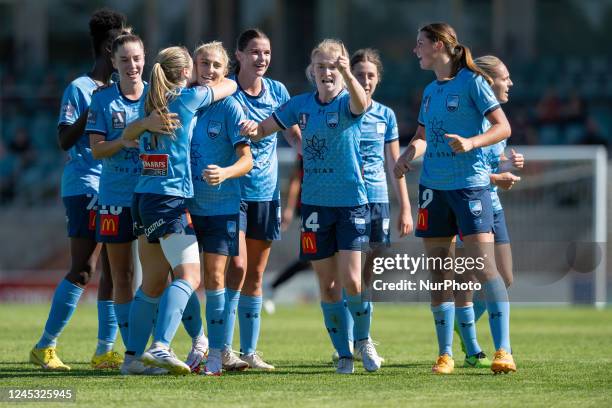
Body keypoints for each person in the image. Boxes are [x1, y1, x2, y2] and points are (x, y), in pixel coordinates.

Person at [240, 39, 382, 374]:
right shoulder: (300, 105)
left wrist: (348, 71)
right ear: (312, 71)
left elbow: (363, 104)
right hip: (315, 208)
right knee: (328, 285)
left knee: (352, 280)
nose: (327, 72)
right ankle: (343, 353)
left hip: (351, 204)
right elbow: (265, 129)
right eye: (321, 67)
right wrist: (249, 129)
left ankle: (363, 341)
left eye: (333, 66)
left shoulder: (350, 102)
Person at [393, 22, 516, 375]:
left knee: (484, 266)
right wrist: (407, 155)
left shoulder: (474, 83)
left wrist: (472, 142)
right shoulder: (430, 90)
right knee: (440, 275)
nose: (415, 50)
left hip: (470, 186)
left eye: (420, 44)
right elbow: (421, 135)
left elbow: (502, 127)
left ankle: (503, 351)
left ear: (440, 46)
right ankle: (445, 353)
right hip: (433, 189)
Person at [120, 46, 237, 375]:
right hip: (167, 200)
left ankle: (131, 359)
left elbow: (127, 134)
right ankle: (161, 346)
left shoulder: (148, 102)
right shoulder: (186, 99)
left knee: (154, 283)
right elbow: (230, 87)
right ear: (185, 73)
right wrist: (221, 72)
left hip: (142, 199)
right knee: (189, 276)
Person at [30, 8, 127, 371]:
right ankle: (45, 345)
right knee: (84, 268)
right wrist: (94, 109)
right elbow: (64, 139)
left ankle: (104, 350)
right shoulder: (80, 89)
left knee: (114, 270)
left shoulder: (124, 91)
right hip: (85, 184)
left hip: (116, 187)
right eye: (121, 45)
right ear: (107, 48)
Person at [224, 29, 300, 371]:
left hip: (266, 193)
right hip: (229, 193)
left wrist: (317, 152)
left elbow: (296, 137)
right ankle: (223, 348)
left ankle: (250, 351)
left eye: (266, 52)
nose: (262, 59)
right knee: (236, 268)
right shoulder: (224, 90)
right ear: (238, 55)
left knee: (255, 275)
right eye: (255, 52)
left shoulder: (279, 91)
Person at [187, 41, 253, 375]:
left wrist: (224, 172)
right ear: (193, 67)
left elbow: (247, 159)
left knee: (214, 277)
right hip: (181, 207)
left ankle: (215, 354)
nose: (209, 70)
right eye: (203, 64)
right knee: (180, 280)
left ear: (224, 70)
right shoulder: (184, 103)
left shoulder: (230, 108)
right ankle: (197, 340)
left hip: (220, 208)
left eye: (215, 65)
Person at [452, 55, 523, 366]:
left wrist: (507, 165)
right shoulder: (468, 117)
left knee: (504, 276)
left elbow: (488, 163)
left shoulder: (497, 118)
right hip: (468, 202)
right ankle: (471, 348)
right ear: (487, 80)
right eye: (504, 77)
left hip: (493, 205)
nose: (510, 83)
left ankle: (461, 323)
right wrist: (497, 177)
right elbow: (460, 165)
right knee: (468, 281)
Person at [87, 33, 147, 356]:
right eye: (124, 60)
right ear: (113, 62)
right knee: (121, 276)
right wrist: (123, 141)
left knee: (157, 276)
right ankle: (132, 351)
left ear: (144, 58)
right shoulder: (102, 100)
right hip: (114, 199)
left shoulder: (156, 97)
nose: (132, 65)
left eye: (136, 58)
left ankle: (158, 346)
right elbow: (97, 151)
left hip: (151, 198)